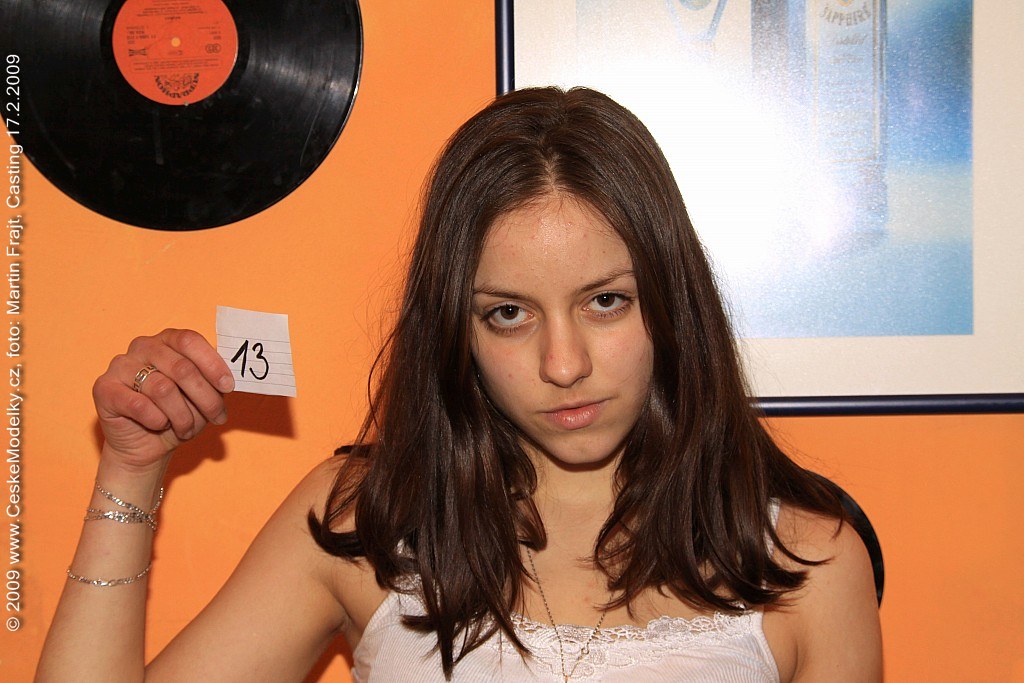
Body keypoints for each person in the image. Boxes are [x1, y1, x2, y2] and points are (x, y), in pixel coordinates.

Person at [37, 87, 882, 682]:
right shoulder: (364, 520)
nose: (563, 364)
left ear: (672, 300)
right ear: (456, 330)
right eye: (508, 313)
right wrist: (130, 467)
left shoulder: (810, 562)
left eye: (606, 301)